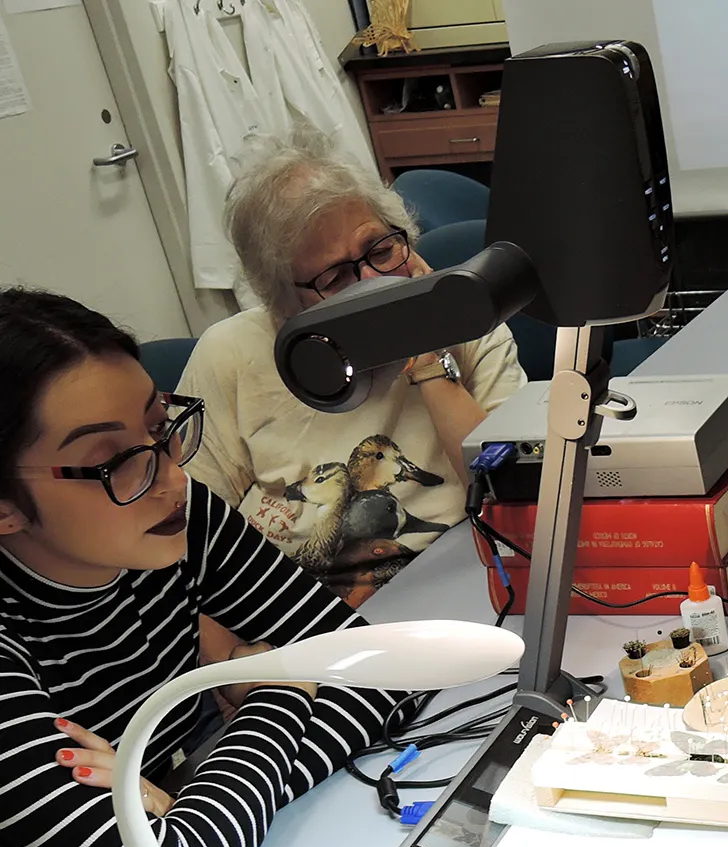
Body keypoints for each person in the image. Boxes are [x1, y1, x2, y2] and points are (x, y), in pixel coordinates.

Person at [0, 287, 400, 847]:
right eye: (115, 461)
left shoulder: (175, 518)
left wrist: (188, 806)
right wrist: (281, 695)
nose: (172, 477)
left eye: (161, 428)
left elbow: (383, 673)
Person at [179, 129, 526, 607]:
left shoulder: (466, 323)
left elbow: (511, 498)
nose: (374, 283)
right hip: (294, 608)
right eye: (335, 277)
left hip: (456, 576)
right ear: (284, 301)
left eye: (382, 250)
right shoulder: (230, 354)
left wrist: (428, 357)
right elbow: (194, 536)